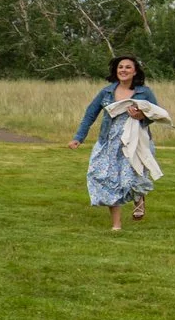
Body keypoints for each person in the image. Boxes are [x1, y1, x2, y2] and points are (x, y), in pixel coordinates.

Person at [71, 55, 167, 231]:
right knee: (105, 178)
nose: (123, 70)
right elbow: (90, 114)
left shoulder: (144, 92)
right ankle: (116, 225)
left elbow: (157, 114)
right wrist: (78, 137)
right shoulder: (106, 92)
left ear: (135, 71)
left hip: (135, 143)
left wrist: (141, 116)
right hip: (108, 142)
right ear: (116, 70)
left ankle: (139, 197)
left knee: (131, 179)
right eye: (120, 67)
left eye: (128, 67)